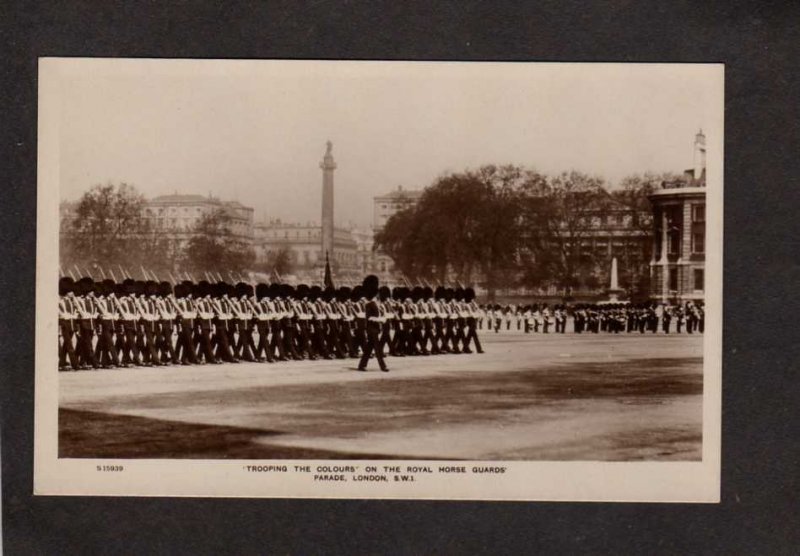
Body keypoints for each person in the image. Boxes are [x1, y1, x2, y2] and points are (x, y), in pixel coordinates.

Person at [357, 275, 388, 372]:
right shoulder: (369, 304)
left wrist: (382, 318)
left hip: (376, 328)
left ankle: (361, 365)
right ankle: (383, 366)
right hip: (371, 329)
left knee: (369, 349)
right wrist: (380, 319)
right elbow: (369, 317)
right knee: (378, 349)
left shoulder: (377, 305)